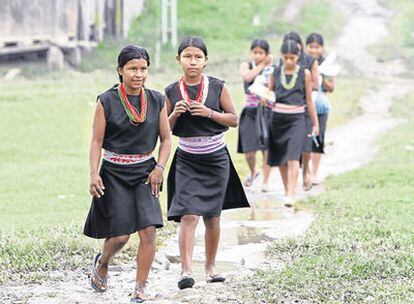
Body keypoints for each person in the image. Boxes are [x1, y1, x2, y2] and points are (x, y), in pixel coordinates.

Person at [83, 45, 172, 302]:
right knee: (121, 235)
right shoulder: (107, 101)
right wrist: (93, 174)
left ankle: (140, 286)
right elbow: (96, 141)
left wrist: (159, 168)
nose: (138, 74)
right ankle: (103, 261)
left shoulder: (156, 100)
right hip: (114, 173)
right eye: (133, 68)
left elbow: (166, 140)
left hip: (146, 173)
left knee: (148, 231)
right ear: (120, 70)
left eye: (143, 69)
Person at [165, 36, 250, 289]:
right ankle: (186, 270)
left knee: (212, 217)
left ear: (205, 61)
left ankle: (211, 268)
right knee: (188, 215)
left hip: (215, 159)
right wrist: (174, 114)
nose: (193, 61)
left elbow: (234, 119)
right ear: (178, 59)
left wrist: (209, 113)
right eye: (187, 56)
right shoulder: (170, 91)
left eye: (198, 57)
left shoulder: (218, 87)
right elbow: (164, 129)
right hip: (187, 159)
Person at [268, 39, 319, 207]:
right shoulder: (275, 71)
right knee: (281, 158)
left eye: (292, 57)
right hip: (277, 119)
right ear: (282, 56)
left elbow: (309, 101)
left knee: (292, 157)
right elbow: (270, 92)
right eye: (286, 57)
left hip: (297, 120)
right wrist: (264, 98)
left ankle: (291, 192)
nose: (289, 61)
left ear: (298, 56)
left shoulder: (304, 74)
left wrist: (315, 123)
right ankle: (287, 190)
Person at [283, 31, 320, 191]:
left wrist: (300, 84)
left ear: (300, 45)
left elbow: (316, 85)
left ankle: (306, 171)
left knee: (305, 144)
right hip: (286, 110)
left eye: (295, 43)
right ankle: (289, 186)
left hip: (304, 107)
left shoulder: (309, 62)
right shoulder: (281, 64)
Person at [237, 39, 274, 191]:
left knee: (266, 148)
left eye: (261, 53)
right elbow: (247, 77)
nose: (258, 55)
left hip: (266, 111)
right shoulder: (247, 65)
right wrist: (262, 65)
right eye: (255, 52)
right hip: (249, 111)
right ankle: (253, 171)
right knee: (248, 148)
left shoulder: (272, 68)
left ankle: (266, 180)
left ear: (267, 54)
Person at [306, 32, 335, 184]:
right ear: (306, 47)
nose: (314, 50)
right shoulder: (303, 62)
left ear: (322, 48)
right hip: (305, 106)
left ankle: (315, 173)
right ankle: (307, 173)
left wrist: (321, 79)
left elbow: (331, 87)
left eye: (317, 47)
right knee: (306, 139)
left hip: (321, 107)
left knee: (319, 139)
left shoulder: (327, 64)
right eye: (311, 47)